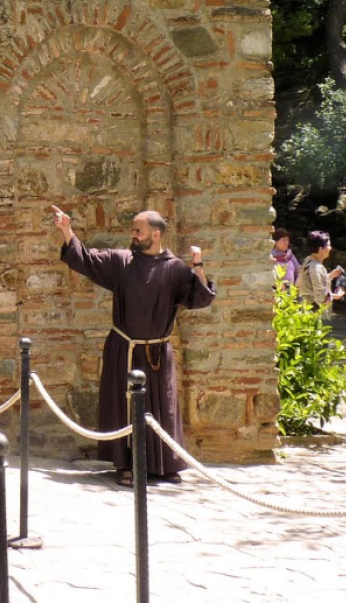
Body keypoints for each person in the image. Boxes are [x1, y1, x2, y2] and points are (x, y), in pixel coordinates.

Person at [52, 206, 215, 486]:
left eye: (138, 231)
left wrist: (197, 265)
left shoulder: (174, 267)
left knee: (161, 406)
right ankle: (125, 464)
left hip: (156, 353)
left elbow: (200, 298)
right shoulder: (122, 262)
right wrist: (67, 231)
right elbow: (86, 259)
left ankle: (162, 464)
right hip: (123, 348)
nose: (134, 236)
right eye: (133, 231)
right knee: (123, 406)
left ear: (156, 233)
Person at [295, 231, 346, 309]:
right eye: (328, 245)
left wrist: (330, 275)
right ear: (320, 249)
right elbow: (321, 297)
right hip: (311, 310)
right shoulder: (317, 267)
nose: (330, 248)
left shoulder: (309, 260)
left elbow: (311, 282)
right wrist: (336, 296)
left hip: (304, 307)